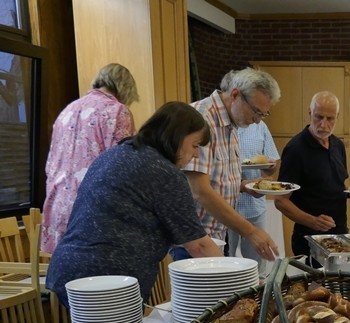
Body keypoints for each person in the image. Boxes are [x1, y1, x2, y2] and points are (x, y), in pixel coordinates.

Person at [46, 102, 222, 306]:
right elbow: (199, 246)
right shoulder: (163, 172)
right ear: (177, 136)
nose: (196, 155)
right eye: (195, 146)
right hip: (107, 278)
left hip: (70, 268)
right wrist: (237, 279)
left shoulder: (115, 153)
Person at [176, 68, 281, 262]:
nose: (257, 120)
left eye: (263, 114)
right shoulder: (202, 118)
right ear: (235, 95)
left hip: (217, 236)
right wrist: (251, 232)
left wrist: (243, 186)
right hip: (195, 242)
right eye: (256, 112)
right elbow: (199, 191)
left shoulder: (232, 124)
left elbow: (217, 179)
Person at [42, 63, 139, 253]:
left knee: (67, 266)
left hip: (59, 205)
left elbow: (51, 162)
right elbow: (123, 165)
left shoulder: (67, 111)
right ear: (126, 88)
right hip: (92, 208)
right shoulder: (116, 111)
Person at [274, 91, 350, 261]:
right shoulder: (296, 149)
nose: (324, 124)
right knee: (314, 279)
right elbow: (280, 201)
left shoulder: (338, 145)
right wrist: (312, 221)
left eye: (330, 118)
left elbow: (336, 184)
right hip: (309, 238)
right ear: (310, 113)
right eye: (319, 117)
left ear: (337, 117)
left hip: (340, 234)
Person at [228, 120, 281, 279]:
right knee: (225, 263)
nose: (256, 117)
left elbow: (273, 163)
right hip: (226, 210)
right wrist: (243, 186)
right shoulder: (221, 127)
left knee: (258, 269)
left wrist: (270, 167)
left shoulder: (260, 126)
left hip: (254, 208)